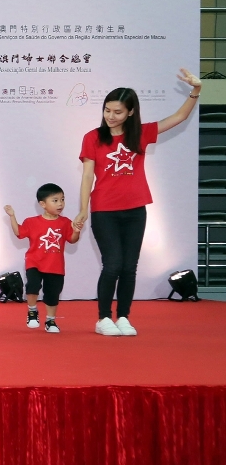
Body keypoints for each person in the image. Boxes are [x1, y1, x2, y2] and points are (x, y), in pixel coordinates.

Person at [75, 69, 201, 336]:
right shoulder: (93, 138)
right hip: (104, 210)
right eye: (107, 110)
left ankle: (123, 317)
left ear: (130, 112)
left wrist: (196, 90)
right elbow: (87, 176)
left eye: (117, 111)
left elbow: (179, 117)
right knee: (113, 265)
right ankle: (102, 319)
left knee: (129, 266)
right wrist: (83, 209)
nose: (110, 116)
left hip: (135, 210)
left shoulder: (141, 134)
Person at [4, 183, 82, 333]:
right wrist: (12, 216)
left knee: (53, 293)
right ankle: (32, 311)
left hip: (55, 265)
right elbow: (19, 233)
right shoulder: (31, 222)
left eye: (62, 199)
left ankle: (50, 321)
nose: (60, 204)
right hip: (35, 262)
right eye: (55, 200)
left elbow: (72, 239)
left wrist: (77, 231)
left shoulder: (65, 222)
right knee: (33, 285)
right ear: (42, 204)